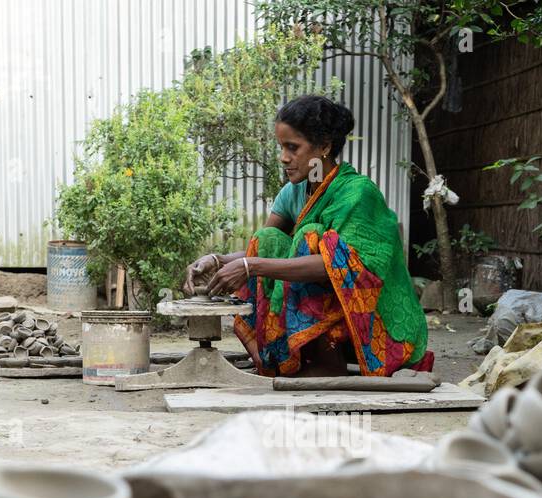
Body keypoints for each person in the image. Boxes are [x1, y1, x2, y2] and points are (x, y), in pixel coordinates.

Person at [183, 95, 432, 378]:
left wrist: (251, 266)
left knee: (311, 237)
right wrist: (218, 260)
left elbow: (336, 267)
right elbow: (265, 252)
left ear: (324, 146)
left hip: (369, 324)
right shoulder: (294, 191)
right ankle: (277, 359)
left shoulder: (358, 193)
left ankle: (328, 363)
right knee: (267, 237)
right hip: (326, 313)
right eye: (281, 147)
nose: (283, 157)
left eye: (293, 147)